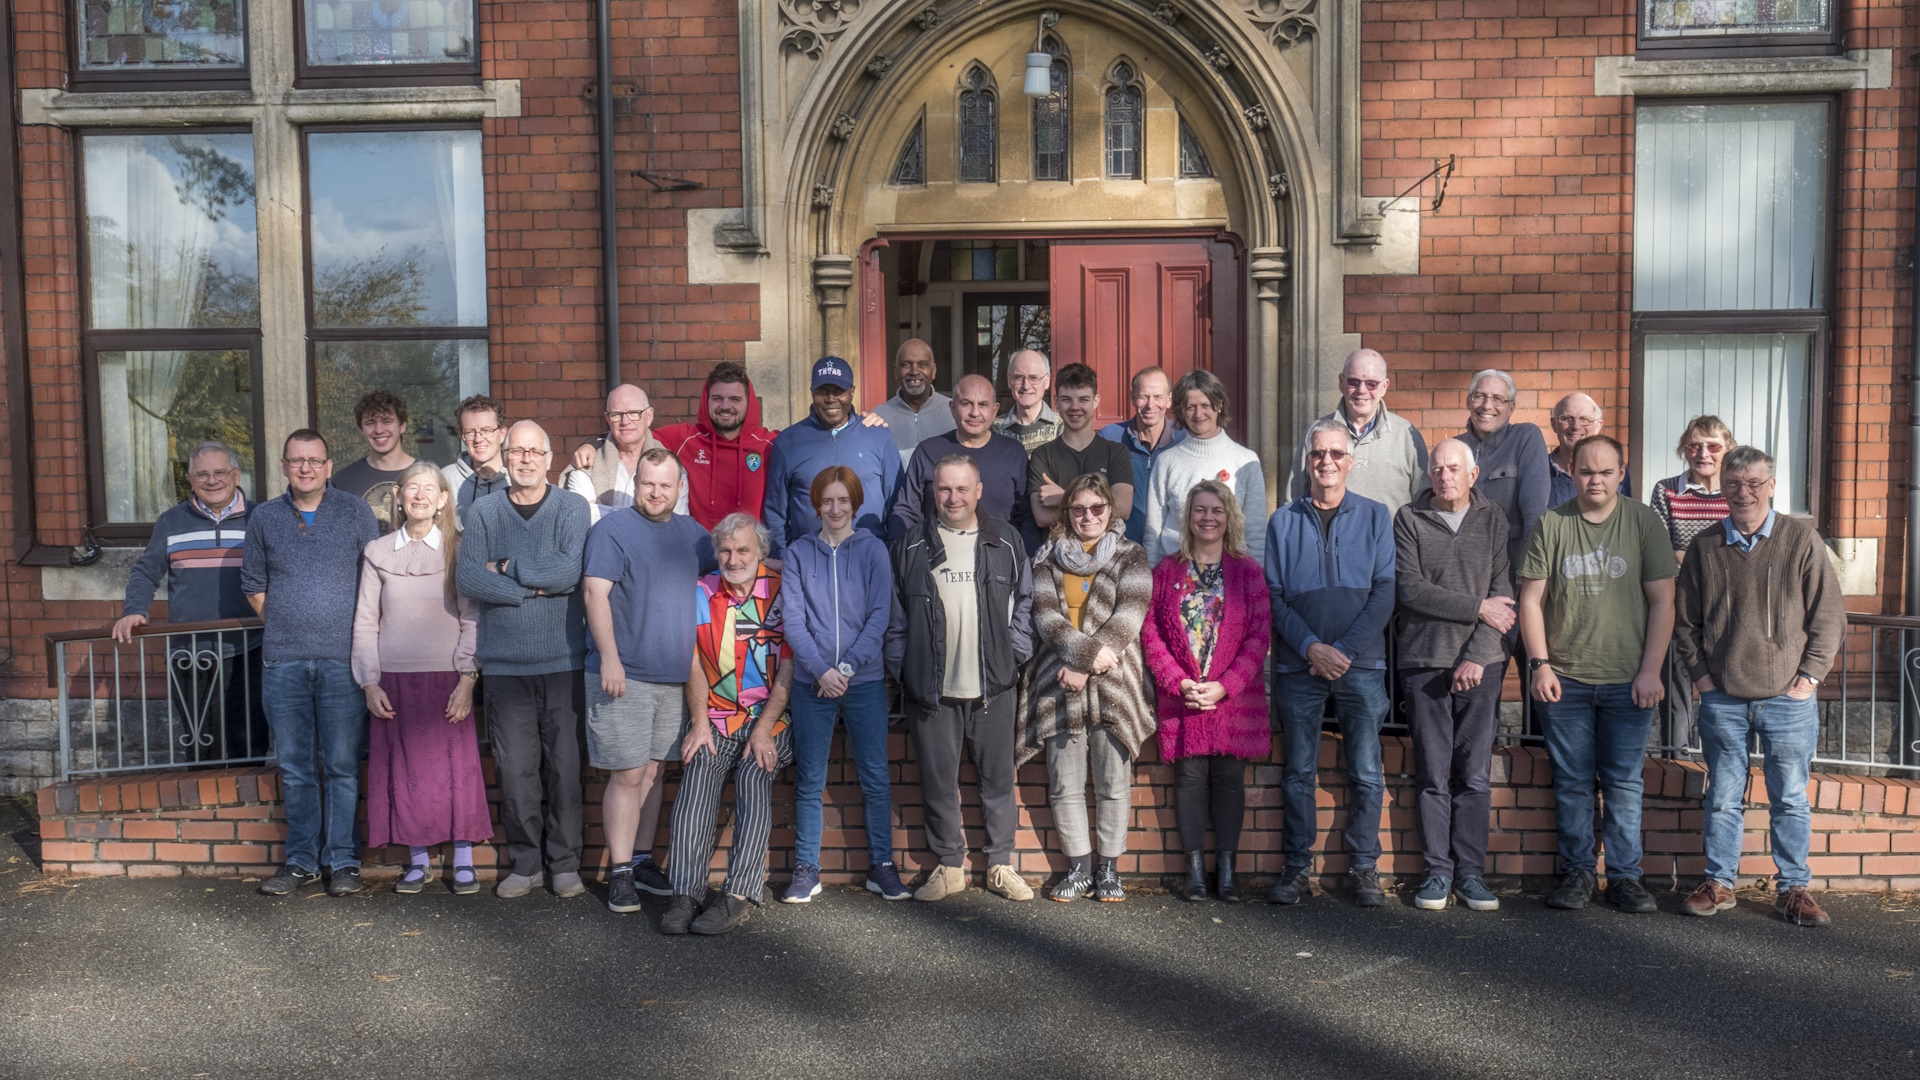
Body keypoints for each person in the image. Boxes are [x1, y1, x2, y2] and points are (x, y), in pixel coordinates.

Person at [1676, 446, 1845, 928]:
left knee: (1790, 796)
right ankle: (1720, 882)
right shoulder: (1706, 546)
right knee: (1724, 796)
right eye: (1734, 484)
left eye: (1753, 483)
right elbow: (1685, 624)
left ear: (1772, 485)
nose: (1743, 492)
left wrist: (1808, 678)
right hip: (1723, 697)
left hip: (1786, 698)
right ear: (1722, 487)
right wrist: (1704, 679)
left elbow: (1829, 617)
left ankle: (1793, 889)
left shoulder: (1800, 540)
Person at [1518, 434, 1677, 915]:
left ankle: (1626, 878)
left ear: (1621, 473)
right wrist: (1540, 664)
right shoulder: (1551, 524)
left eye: (1607, 472)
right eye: (1586, 470)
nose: (1596, 480)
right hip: (1564, 679)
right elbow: (1530, 600)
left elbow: (1663, 601)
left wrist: (1651, 671)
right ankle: (1578, 873)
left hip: (1629, 680)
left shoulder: (1645, 522)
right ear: (1570, 469)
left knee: (1624, 782)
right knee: (1571, 782)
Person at [885, 455, 1036, 902]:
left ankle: (1000, 865)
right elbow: (895, 618)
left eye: (962, 489)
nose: (953, 498)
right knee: (937, 781)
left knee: (998, 781)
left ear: (979, 491)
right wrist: (905, 668)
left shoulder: (1005, 541)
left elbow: (1026, 603)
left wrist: (1015, 654)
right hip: (931, 690)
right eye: (944, 489)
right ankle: (949, 866)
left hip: (994, 686)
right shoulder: (911, 545)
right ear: (934, 491)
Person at [455, 421, 593, 900]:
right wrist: (535, 588)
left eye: (536, 451)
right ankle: (526, 863)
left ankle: (566, 864)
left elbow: (571, 571)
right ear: (506, 455)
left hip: (564, 661)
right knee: (516, 772)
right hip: (505, 667)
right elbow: (469, 579)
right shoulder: (484, 511)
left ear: (550, 457)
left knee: (565, 768)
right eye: (518, 452)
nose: (526, 460)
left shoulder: (572, 508)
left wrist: (509, 570)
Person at [243, 430, 382, 898]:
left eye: (314, 460)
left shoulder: (355, 511)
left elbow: (374, 578)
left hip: (344, 661)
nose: (306, 468)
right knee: (297, 767)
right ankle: (300, 861)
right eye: (296, 460)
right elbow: (253, 583)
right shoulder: (264, 517)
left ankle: (343, 861)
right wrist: (286, 623)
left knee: (342, 765)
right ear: (284, 466)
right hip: (283, 662)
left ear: (327, 466)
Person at [1264, 420, 1396, 908]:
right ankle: (1297, 868)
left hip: (1361, 666)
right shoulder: (1283, 521)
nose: (1327, 462)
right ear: (1307, 460)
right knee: (1298, 772)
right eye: (1318, 453)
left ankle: (1364, 868)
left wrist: (1345, 651)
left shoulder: (1377, 516)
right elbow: (1274, 597)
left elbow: (1386, 591)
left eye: (1336, 454)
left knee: (1365, 770)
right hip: (1300, 667)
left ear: (1351, 460)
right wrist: (1312, 647)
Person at [581, 448, 717, 915]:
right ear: (634, 484)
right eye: (647, 483)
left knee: (656, 770)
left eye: (665, 485)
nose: (656, 492)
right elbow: (594, 593)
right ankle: (619, 873)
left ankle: (641, 861)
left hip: (674, 677)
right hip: (625, 674)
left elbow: (737, 566)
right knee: (629, 772)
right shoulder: (612, 530)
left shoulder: (694, 536)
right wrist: (609, 659)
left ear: (679, 488)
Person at [350, 462, 490, 896]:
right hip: (393, 681)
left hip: (448, 679)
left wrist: (467, 679)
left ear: (444, 499)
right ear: (398, 494)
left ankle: (463, 858)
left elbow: (472, 619)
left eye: (430, 489)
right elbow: (365, 622)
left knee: (456, 769)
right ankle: (416, 861)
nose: (420, 495)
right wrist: (369, 682)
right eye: (413, 487)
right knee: (405, 771)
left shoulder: (460, 550)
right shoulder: (377, 551)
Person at [1017, 473, 1152, 902]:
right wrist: (1079, 658)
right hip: (1057, 679)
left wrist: (1087, 665)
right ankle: (1078, 867)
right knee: (1065, 782)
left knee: (1113, 781)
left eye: (1097, 508)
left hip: (1114, 680)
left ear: (1110, 511)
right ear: (1066, 513)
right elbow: (1046, 617)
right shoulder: (1046, 558)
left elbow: (1129, 615)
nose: (1088, 516)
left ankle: (1109, 869)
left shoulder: (1132, 555)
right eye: (1079, 509)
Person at [660, 514, 795, 936]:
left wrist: (763, 727)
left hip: (774, 717)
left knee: (756, 772)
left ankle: (738, 895)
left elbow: (789, 668)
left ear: (761, 554)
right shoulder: (702, 592)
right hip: (718, 714)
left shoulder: (783, 591)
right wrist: (699, 721)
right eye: (726, 550)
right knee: (699, 767)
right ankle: (685, 892)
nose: (733, 559)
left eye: (743, 551)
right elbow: (695, 662)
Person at [1394, 438, 1513, 913]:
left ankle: (1470, 874)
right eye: (1437, 468)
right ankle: (1437, 872)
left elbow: (1503, 599)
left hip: (1481, 665)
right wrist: (1474, 607)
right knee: (1432, 775)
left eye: (1453, 468)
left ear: (1473, 474)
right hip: (1424, 662)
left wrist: (1477, 657)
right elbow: (1411, 589)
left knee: (1475, 775)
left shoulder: (1494, 520)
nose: (1444, 476)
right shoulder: (1409, 518)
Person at [781, 467, 909, 903]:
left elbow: (880, 617)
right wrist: (821, 670)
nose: (835, 509)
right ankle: (806, 869)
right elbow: (794, 622)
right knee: (810, 778)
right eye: (827, 501)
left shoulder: (873, 550)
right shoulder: (799, 552)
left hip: (864, 682)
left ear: (855, 504)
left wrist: (848, 669)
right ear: (816, 504)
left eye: (843, 501)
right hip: (811, 683)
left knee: (874, 777)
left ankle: (882, 866)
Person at [1141, 480, 1271, 903]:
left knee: (1230, 779)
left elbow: (1258, 635)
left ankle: (1228, 873)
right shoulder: (1166, 572)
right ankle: (1195, 872)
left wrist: (1224, 686)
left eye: (1216, 510)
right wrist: (1179, 682)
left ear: (1229, 516)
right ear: (1189, 517)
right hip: (1184, 696)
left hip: (1232, 697)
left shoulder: (1248, 571)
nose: (1208, 518)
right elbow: (1151, 633)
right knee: (1190, 778)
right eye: (1200, 510)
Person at [114, 440, 267, 762]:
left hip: (250, 645)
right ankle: (206, 807)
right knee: (201, 744)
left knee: (250, 738)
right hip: (190, 649)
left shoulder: (261, 517)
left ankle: (249, 807)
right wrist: (134, 611)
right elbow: (145, 572)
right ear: (191, 479)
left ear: (236, 475)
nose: (212, 480)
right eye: (203, 474)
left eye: (220, 472)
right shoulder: (171, 521)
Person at [1648, 415, 1737, 752]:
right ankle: (1677, 762)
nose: (1704, 453)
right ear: (1684, 451)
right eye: (1694, 446)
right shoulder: (1666, 490)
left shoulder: (1737, 491)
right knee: (1676, 691)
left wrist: (1685, 552)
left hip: (1727, 608)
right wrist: (1709, 560)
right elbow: (1656, 551)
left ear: (1727, 450)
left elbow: (1745, 549)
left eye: (1713, 446)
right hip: (1676, 607)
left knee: (1726, 690)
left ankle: (1722, 760)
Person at [763, 356, 902, 555]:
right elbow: (775, 513)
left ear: (852, 392)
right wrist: (784, 559)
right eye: (822, 391)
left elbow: (898, 501)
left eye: (838, 391)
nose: (830, 399)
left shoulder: (878, 436)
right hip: (810, 561)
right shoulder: (788, 441)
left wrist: (892, 555)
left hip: (868, 558)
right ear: (812, 392)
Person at [1143, 369, 1266, 566]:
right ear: (1181, 411)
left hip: (1232, 575)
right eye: (1190, 407)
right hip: (1175, 575)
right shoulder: (1166, 461)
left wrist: (1256, 578)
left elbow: (1256, 531)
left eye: (1205, 405)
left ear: (1218, 405)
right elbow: (1153, 531)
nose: (1198, 414)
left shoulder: (1245, 460)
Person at [890, 373, 1030, 541]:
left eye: (983, 405)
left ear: (994, 411)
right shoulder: (927, 452)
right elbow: (905, 512)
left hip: (1000, 559)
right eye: (966, 404)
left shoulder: (1013, 453)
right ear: (952, 408)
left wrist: (1025, 561)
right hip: (939, 559)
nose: (975, 413)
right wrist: (902, 557)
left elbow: (1026, 516)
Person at [1286, 348, 1428, 511]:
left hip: (1389, 537)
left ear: (1384, 386)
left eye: (1371, 384)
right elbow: (1292, 502)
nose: (1362, 390)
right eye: (1354, 382)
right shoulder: (1316, 434)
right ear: (1341, 382)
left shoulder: (1406, 437)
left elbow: (1424, 506)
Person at [643, 362, 779, 529]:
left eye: (735, 399)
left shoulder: (770, 444)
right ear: (706, 400)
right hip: (698, 551)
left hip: (750, 552)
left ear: (749, 402)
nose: (725, 406)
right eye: (717, 399)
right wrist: (600, 447)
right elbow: (637, 437)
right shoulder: (686, 439)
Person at [1460, 369, 1551, 591]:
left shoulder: (1524, 438)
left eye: (1498, 399)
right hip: (1464, 573)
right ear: (1468, 401)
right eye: (1479, 396)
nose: (1487, 405)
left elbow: (1535, 512)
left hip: (1511, 573)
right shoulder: (1456, 448)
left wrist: (1529, 575)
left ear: (1511, 407)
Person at [1028, 363, 1134, 541]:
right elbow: (1042, 517)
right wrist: (1101, 506)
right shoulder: (1042, 455)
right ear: (1056, 401)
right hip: (1056, 560)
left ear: (1096, 401)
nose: (1075, 407)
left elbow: (1123, 509)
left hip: (1109, 561)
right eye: (1067, 399)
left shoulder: (1116, 453)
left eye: (1083, 399)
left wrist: (1063, 498)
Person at [1098, 366, 1185, 545]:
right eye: (1143, 397)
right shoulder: (1110, 438)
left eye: (1158, 397)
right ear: (1132, 398)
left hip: (1171, 552)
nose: (1150, 405)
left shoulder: (1185, 440)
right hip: (1119, 551)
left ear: (1169, 400)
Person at [561, 383, 663, 522]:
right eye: (616, 414)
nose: (625, 421)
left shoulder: (670, 466)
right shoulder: (586, 464)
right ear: (608, 418)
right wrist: (647, 516)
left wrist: (602, 512)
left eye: (634, 413)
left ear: (649, 416)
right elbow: (580, 518)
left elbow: (674, 522)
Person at [330, 390, 417, 533]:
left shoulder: (427, 475)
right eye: (370, 423)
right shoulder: (343, 481)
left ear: (402, 426)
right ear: (361, 429)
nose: (378, 430)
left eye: (387, 421)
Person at [870, 338, 955, 466]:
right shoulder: (878, 417)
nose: (914, 371)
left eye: (922, 364)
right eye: (906, 364)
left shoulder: (954, 412)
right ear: (896, 371)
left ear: (934, 371)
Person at [1547, 393, 1634, 506]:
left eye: (1584, 419)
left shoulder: (1616, 471)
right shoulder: (1538, 470)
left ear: (1598, 426)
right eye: (1567, 418)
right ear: (1554, 424)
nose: (1576, 426)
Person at [443, 394, 510, 526]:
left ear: (502, 434)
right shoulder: (445, 479)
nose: (478, 439)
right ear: (461, 436)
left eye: (486, 430)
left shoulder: (519, 477)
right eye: (470, 432)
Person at [991, 348, 1062, 451]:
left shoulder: (1062, 426)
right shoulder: (995, 429)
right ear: (1009, 380)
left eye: (1033, 378)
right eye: (1019, 377)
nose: (1026, 386)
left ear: (1047, 381)